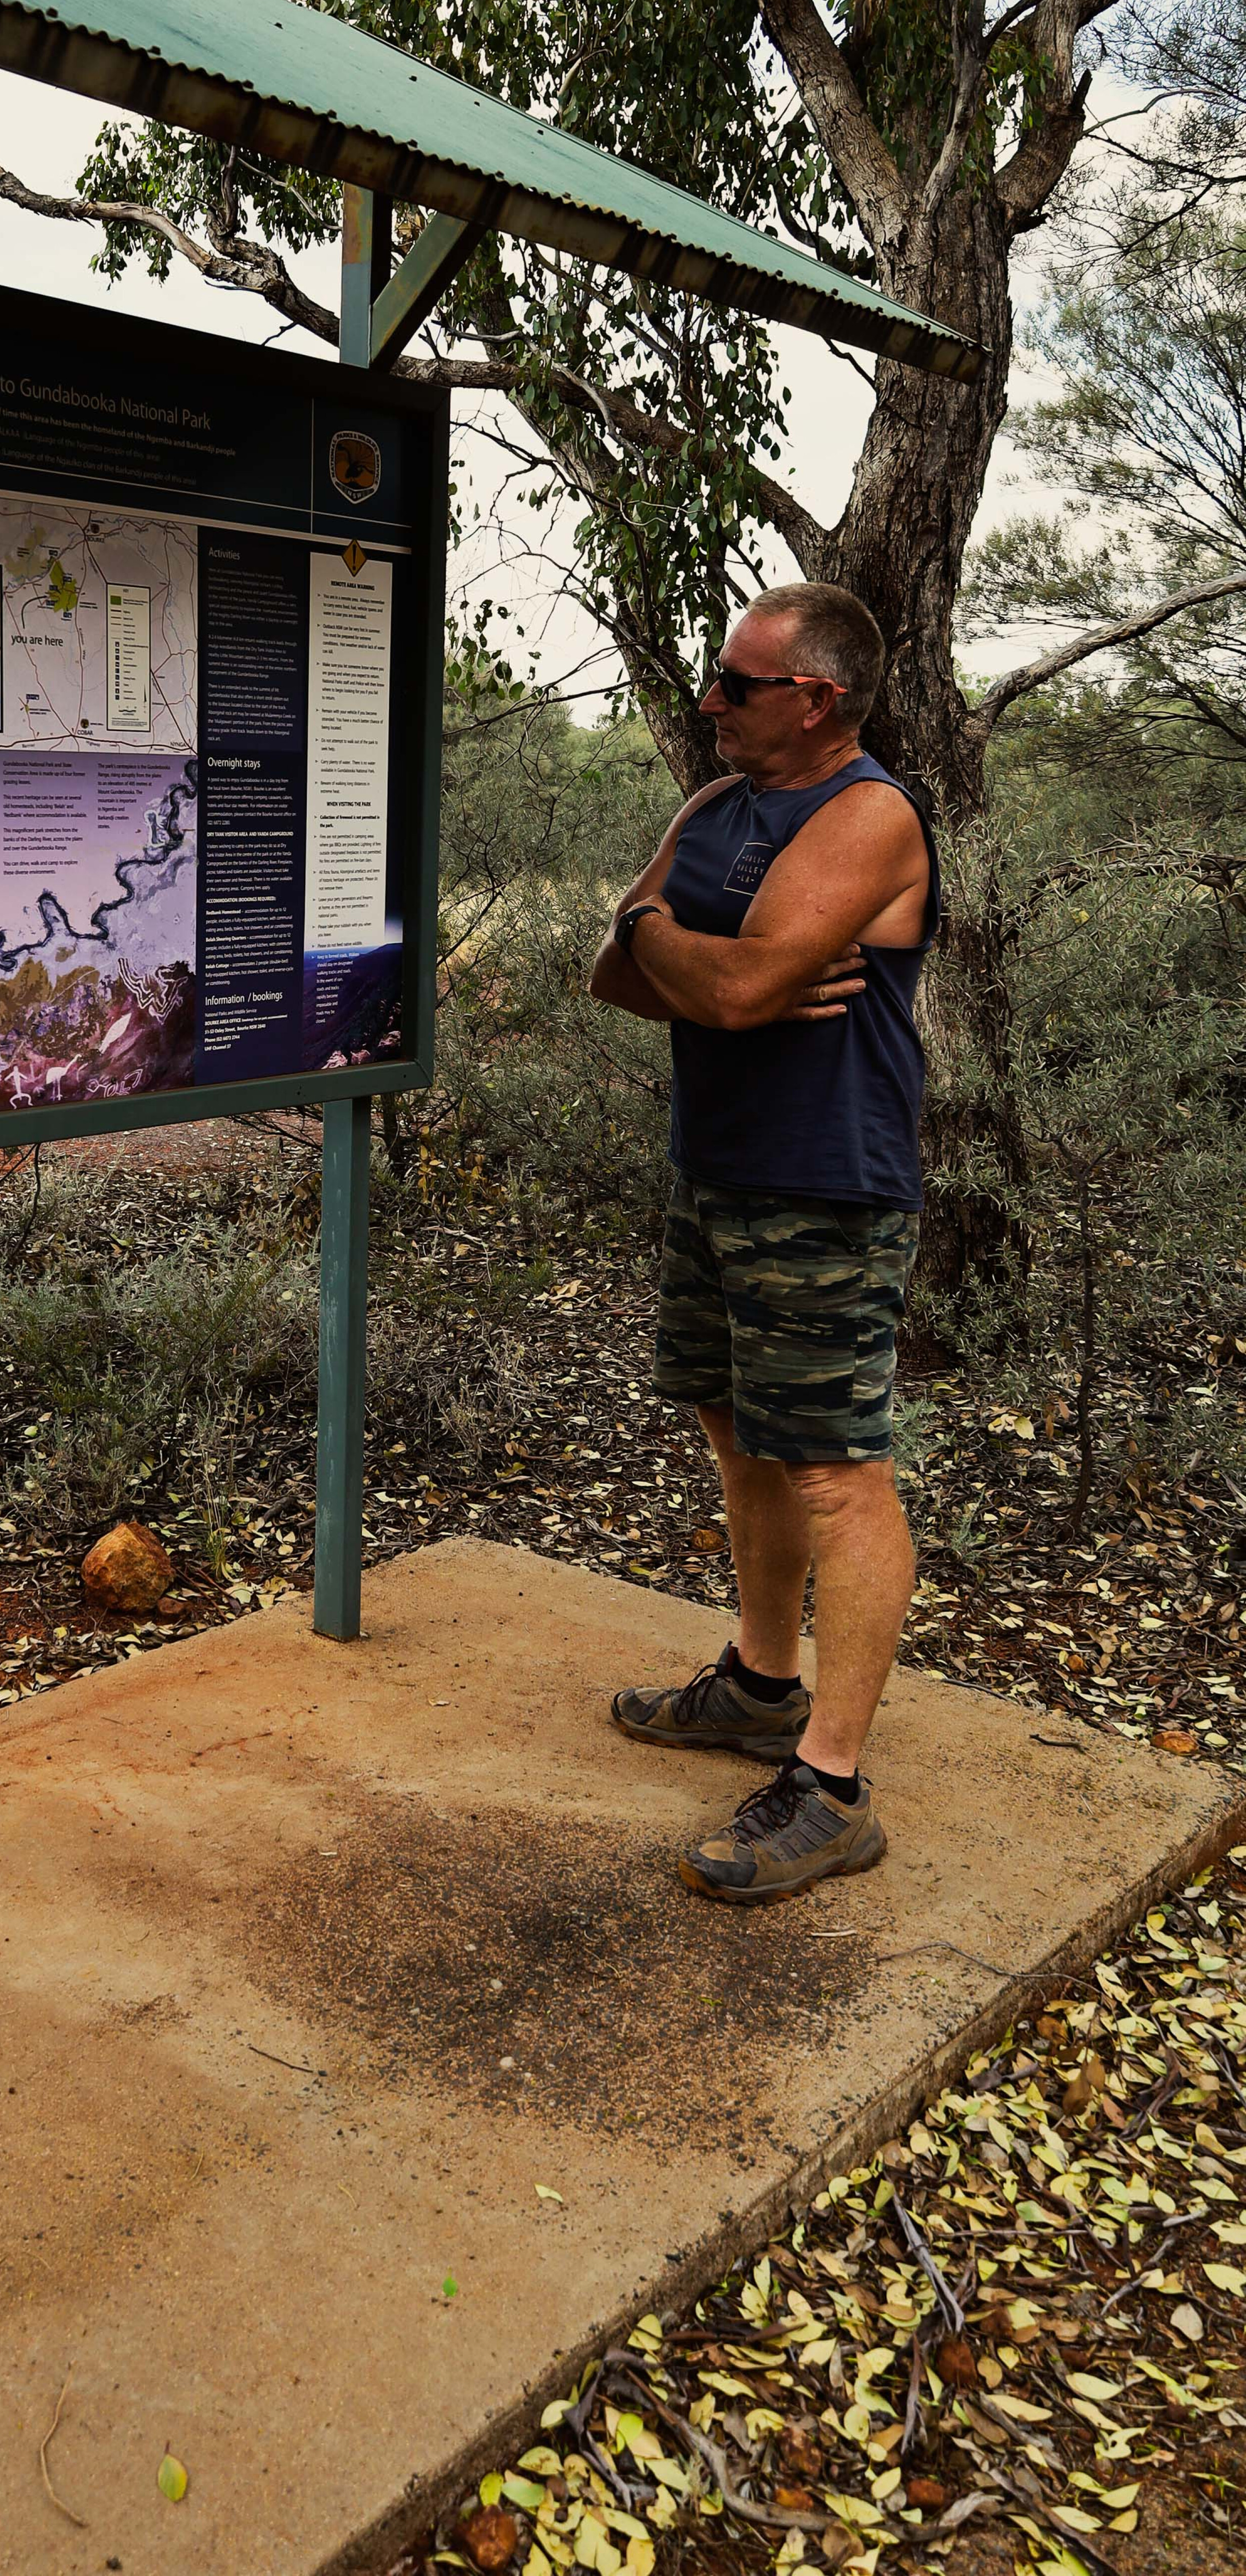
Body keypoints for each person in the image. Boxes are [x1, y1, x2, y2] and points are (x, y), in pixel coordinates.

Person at [588, 582, 938, 1903]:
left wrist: (686, 953)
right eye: (714, 678)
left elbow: (732, 988)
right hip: (718, 1169)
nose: (712, 700)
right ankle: (758, 1680)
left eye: (736, 684)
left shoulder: (872, 818)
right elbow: (623, 972)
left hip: (825, 1185)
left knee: (837, 1472)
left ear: (817, 700)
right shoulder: (714, 810)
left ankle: (834, 1789)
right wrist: (667, 942)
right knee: (739, 1428)